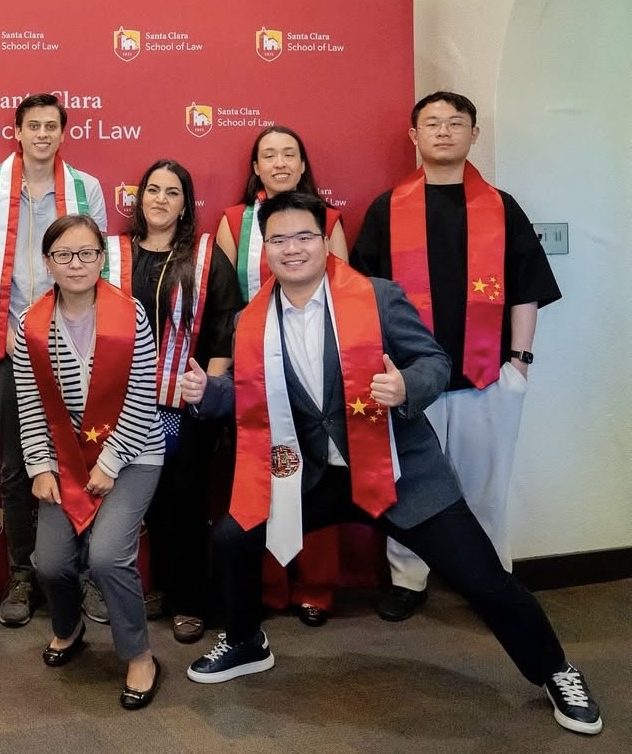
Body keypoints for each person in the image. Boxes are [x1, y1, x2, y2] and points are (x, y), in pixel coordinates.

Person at [181, 191, 601, 736]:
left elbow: (434, 361)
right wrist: (206, 393)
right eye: (279, 239)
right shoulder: (250, 321)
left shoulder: (376, 297)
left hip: (402, 470)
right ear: (267, 250)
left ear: (324, 240)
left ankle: (557, 670)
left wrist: (405, 387)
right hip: (314, 474)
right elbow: (250, 398)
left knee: (484, 580)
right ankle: (244, 641)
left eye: (304, 237)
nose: (292, 249)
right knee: (233, 538)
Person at [352, 91, 562, 622]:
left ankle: (489, 579)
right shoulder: (386, 208)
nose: (443, 132)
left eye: (455, 123)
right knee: (409, 482)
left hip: (486, 374)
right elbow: (361, 296)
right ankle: (408, 578)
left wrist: (520, 361)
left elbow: (526, 288)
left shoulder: (501, 207)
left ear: (473, 134)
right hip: (408, 379)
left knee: (486, 480)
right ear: (414, 136)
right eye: (431, 123)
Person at [0, 93, 107, 626]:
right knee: (15, 466)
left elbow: (95, 264)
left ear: (62, 133)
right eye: (33, 125)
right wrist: (4, 330)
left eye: (52, 125)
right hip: (10, 342)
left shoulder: (85, 189)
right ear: (18, 132)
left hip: (75, 337)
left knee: (82, 461)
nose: (43, 134)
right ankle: (22, 576)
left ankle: (86, 574)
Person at [13, 214, 164, 709]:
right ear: (48, 262)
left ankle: (139, 654)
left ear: (102, 258)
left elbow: (143, 398)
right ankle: (69, 626)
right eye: (63, 255)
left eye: (86, 253)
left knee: (106, 556)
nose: (75, 264)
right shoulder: (30, 326)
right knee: (52, 563)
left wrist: (112, 462)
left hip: (134, 453)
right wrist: (39, 466)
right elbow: (31, 404)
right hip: (66, 459)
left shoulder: (131, 315)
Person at [215, 125, 351, 627]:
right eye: (267, 155)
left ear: (301, 164)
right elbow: (226, 299)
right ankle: (269, 587)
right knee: (263, 473)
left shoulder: (327, 218)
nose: (278, 163)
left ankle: (315, 588)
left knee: (319, 472)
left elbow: (346, 295)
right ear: (255, 167)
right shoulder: (234, 221)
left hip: (317, 366)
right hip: (258, 365)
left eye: (288, 154)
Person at [103, 160, 242, 643]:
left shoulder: (204, 256)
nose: (160, 199)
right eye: (153, 190)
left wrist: (209, 393)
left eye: (173, 192)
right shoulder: (112, 255)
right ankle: (161, 585)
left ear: (186, 205)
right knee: (147, 501)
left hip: (185, 405)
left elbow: (225, 327)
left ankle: (191, 599)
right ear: (139, 198)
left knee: (184, 500)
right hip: (124, 407)